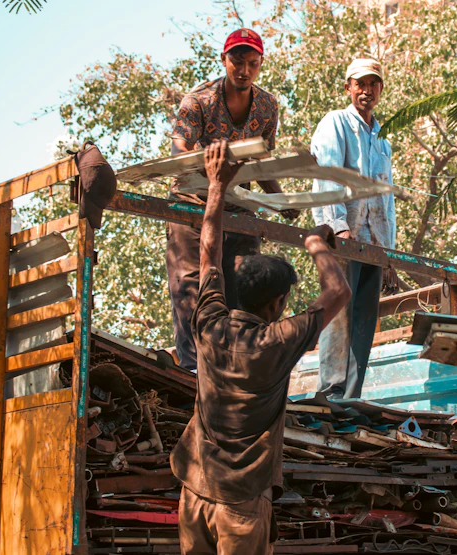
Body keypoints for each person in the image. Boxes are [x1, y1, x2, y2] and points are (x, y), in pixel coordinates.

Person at [172, 140, 351, 554]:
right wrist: (315, 243)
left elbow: (209, 253)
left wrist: (217, 186)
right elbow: (338, 290)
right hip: (241, 501)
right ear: (278, 304)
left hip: (195, 490)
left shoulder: (209, 323)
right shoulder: (278, 341)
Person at [167, 28, 298, 371]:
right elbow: (178, 149)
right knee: (193, 290)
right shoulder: (198, 101)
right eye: (237, 62)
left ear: (260, 64)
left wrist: (281, 200)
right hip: (193, 207)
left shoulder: (267, 106)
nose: (244, 70)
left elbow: (260, 161)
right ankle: (195, 371)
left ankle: (239, 369)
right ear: (223, 60)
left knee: (243, 289)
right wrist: (205, 159)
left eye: (252, 64)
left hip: (239, 211)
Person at [310, 58, 398, 399]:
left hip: (373, 245)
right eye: (359, 83)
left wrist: (388, 253)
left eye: (373, 83)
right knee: (338, 314)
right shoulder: (336, 122)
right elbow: (327, 176)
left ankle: (352, 395)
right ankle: (330, 390)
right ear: (348, 87)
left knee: (364, 320)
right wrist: (337, 227)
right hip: (343, 237)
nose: (366, 90)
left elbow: (385, 200)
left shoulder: (382, 140)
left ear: (380, 89)